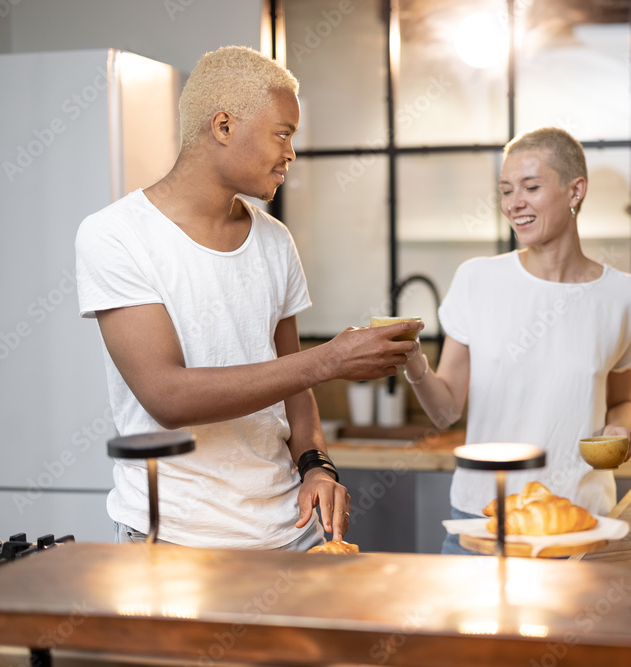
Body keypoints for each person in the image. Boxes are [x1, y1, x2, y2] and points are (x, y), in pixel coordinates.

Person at [75, 46, 421, 550]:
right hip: (176, 539)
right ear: (223, 126)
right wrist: (329, 360)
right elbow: (167, 397)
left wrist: (316, 466)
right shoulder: (114, 235)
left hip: (290, 533)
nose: (291, 153)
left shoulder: (275, 239)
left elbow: (291, 381)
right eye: (283, 133)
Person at [402, 127, 631, 554]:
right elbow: (445, 411)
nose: (514, 203)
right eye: (505, 190)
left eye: (531, 187)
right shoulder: (477, 280)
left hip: (578, 522)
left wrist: (620, 429)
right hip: (483, 521)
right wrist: (411, 358)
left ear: (576, 191)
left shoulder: (624, 297)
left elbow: (623, 401)